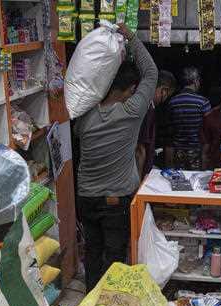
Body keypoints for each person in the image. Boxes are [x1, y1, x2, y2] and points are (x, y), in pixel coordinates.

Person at [74, 24, 158, 291]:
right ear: (131, 89)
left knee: (93, 254)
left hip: (86, 197)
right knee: (113, 258)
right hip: (115, 200)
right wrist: (131, 37)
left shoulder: (84, 115)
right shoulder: (131, 112)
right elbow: (152, 72)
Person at [166, 67, 211, 170]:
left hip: (178, 152)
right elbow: (208, 131)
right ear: (195, 81)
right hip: (197, 152)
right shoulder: (203, 102)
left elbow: (169, 131)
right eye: (199, 80)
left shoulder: (172, 102)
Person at [136, 70, 177, 179]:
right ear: (164, 90)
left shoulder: (149, 107)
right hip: (140, 176)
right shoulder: (147, 109)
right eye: (168, 95)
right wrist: (138, 184)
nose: (165, 99)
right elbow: (140, 149)